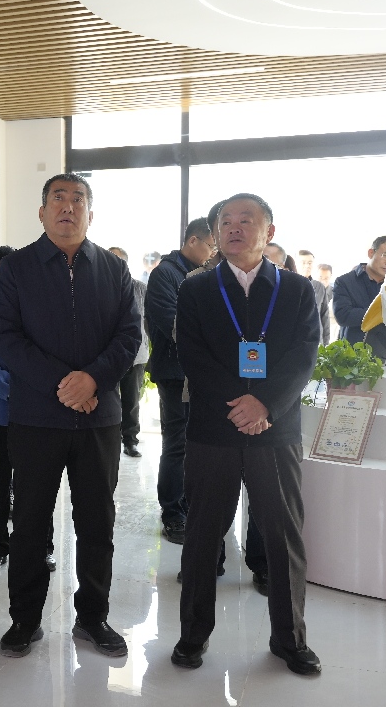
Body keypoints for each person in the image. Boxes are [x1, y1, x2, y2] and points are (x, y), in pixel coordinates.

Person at [0, 173, 142, 659]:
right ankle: (24, 619)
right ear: (42, 212)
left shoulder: (114, 270)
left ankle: (93, 618)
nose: (68, 207)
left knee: (97, 522)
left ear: (90, 214)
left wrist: (93, 380)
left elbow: (130, 335)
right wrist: (66, 384)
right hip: (37, 417)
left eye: (78, 199)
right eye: (58, 198)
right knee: (30, 522)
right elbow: (5, 338)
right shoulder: (16, 268)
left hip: (99, 419)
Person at [173, 193, 321, 675]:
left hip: (276, 431)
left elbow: (304, 355)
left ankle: (290, 639)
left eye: (246, 220)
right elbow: (192, 354)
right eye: (226, 221)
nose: (234, 228)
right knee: (202, 535)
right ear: (216, 232)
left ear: (269, 232)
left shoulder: (298, 290)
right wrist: (240, 406)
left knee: (283, 536)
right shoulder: (196, 289)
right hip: (213, 430)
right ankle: (192, 635)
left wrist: (266, 404)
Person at [0, 246, 56, 573]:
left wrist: (36, 389)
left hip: (37, 415)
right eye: (0, 274)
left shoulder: (41, 314)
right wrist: (22, 391)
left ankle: (41, 547)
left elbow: (49, 359)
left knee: (36, 484)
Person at [144, 217, 217, 545]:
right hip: (175, 373)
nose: (213, 252)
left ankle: (191, 504)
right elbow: (171, 322)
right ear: (193, 241)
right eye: (211, 245)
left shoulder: (206, 274)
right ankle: (173, 513)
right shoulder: (166, 274)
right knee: (177, 444)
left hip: (202, 373)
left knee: (197, 443)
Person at [108, 247, 148, 458]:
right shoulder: (98, 287)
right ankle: (110, 439)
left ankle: (130, 440)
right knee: (109, 399)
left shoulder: (140, 288)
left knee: (131, 401)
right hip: (107, 356)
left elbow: (149, 320)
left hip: (136, 355)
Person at [332, 236, 386, 346]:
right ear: (371, 253)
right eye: (385, 255)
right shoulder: (345, 281)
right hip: (354, 350)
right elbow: (343, 316)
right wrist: (384, 313)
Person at [268, 243, 329, 345]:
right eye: (303, 262)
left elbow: (324, 317)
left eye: (310, 263)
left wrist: (326, 343)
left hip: (315, 341)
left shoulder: (319, 287)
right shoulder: (287, 285)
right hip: (292, 342)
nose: (307, 266)